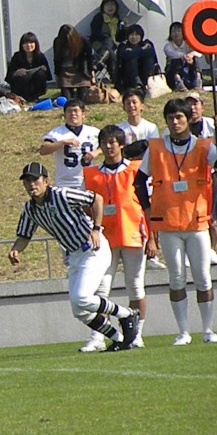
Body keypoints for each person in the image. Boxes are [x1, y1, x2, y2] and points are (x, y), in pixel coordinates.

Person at [8, 162, 139, 351]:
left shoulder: (62, 194)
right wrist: (16, 250)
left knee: (81, 298)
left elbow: (97, 199)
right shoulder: (30, 209)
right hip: (75, 255)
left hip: (92, 248)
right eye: (27, 181)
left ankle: (126, 314)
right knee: (79, 311)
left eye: (35, 179)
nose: (31, 184)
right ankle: (119, 339)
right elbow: (24, 235)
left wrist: (96, 229)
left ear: (46, 181)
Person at [134, 98, 217, 345]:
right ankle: (183, 331)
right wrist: (149, 209)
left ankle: (208, 329)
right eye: (170, 118)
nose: (175, 122)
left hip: (197, 221)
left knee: (203, 276)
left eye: (179, 117)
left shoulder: (203, 145)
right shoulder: (157, 148)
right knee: (177, 278)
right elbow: (139, 181)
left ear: (188, 119)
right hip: (169, 223)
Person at [83, 125, 149, 350]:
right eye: (105, 142)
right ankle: (98, 336)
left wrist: (152, 237)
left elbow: (147, 203)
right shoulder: (91, 174)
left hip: (132, 234)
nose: (109, 146)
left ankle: (136, 333)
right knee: (101, 290)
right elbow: (84, 207)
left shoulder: (135, 169)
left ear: (121, 145)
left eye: (113, 142)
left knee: (135, 287)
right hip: (104, 239)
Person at [116, 87, 166, 272]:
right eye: (128, 103)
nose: (131, 106)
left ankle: (153, 252)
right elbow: (122, 153)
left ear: (142, 105)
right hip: (127, 175)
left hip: (146, 174)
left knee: (150, 211)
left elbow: (152, 150)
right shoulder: (120, 129)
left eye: (134, 102)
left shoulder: (150, 127)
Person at [185, 91, 217, 265]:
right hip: (188, 177)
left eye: (196, 103)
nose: (192, 108)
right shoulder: (181, 126)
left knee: (211, 216)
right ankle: (191, 251)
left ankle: (211, 249)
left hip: (210, 177)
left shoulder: (212, 125)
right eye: (189, 104)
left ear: (202, 107)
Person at [38, 99, 101, 190]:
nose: (72, 114)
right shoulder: (57, 133)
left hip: (87, 180)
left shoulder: (94, 132)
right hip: (64, 182)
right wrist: (62, 142)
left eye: (76, 110)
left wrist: (97, 152)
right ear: (64, 115)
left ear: (83, 114)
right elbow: (43, 150)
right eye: (69, 111)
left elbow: (110, 146)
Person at [89, 0, 127, 84]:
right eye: (107, 5)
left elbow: (121, 38)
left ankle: (98, 65)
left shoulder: (118, 21)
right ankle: (116, 81)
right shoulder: (99, 18)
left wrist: (124, 28)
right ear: (103, 7)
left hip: (113, 48)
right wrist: (109, 39)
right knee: (109, 44)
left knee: (111, 54)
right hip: (99, 44)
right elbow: (95, 33)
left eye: (112, 4)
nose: (110, 7)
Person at [52, 24, 94, 102]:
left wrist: (91, 73)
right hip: (65, 72)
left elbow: (90, 58)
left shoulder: (83, 40)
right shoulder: (58, 42)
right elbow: (56, 59)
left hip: (80, 71)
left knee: (82, 98)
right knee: (66, 100)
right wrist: (57, 75)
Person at [5, 32, 52, 102]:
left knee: (40, 73)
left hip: (35, 85)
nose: (28, 45)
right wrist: (15, 73)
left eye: (31, 42)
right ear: (22, 45)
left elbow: (48, 75)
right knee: (23, 75)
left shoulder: (40, 56)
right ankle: (22, 97)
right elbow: (9, 76)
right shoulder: (17, 56)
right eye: (26, 43)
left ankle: (36, 96)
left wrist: (43, 70)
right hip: (21, 87)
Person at [116, 24, 158, 91]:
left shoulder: (146, 43)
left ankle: (148, 83)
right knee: (132, 60)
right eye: (131, 35)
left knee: (148, 59)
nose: (134, 37)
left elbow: (150, 53)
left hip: (144, 73)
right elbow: (127, 56)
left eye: (136, 35)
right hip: (128, 76)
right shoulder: (123, 45)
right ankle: (137, 84)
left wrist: (133, 52)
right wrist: (142, 49)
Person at [163, 22, 202, 92]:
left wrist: (191, 54)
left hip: (188, 68)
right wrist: (184, 56)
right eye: (173, 31)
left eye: (179, 31)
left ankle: (197, 80)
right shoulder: (168, 45)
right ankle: (178, 82)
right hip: (174, 71)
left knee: (196, 59)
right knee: (176, 60)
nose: (176, 33)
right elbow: (170, 53)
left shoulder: (188, 43)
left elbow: (199, 52)